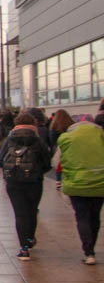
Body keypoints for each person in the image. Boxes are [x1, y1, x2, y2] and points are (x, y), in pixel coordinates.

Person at [0, 112, 52, 261]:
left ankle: (23, 249)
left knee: (20, 213)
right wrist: (37, 171)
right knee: (32, 211)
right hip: (34, 181)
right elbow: (47, 163)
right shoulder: (37, 140)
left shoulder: (9, 139)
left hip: (13, 181)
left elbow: (1, 161)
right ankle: (29, 238)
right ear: (34, 124)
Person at [57, 113, 104, 265]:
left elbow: (57, 162)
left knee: (82, 217)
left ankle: (88, 252)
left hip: (76, 184)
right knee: (95, 216)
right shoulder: (101, 135)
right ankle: (92, 248)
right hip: (99, 183)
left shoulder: (66, 138)